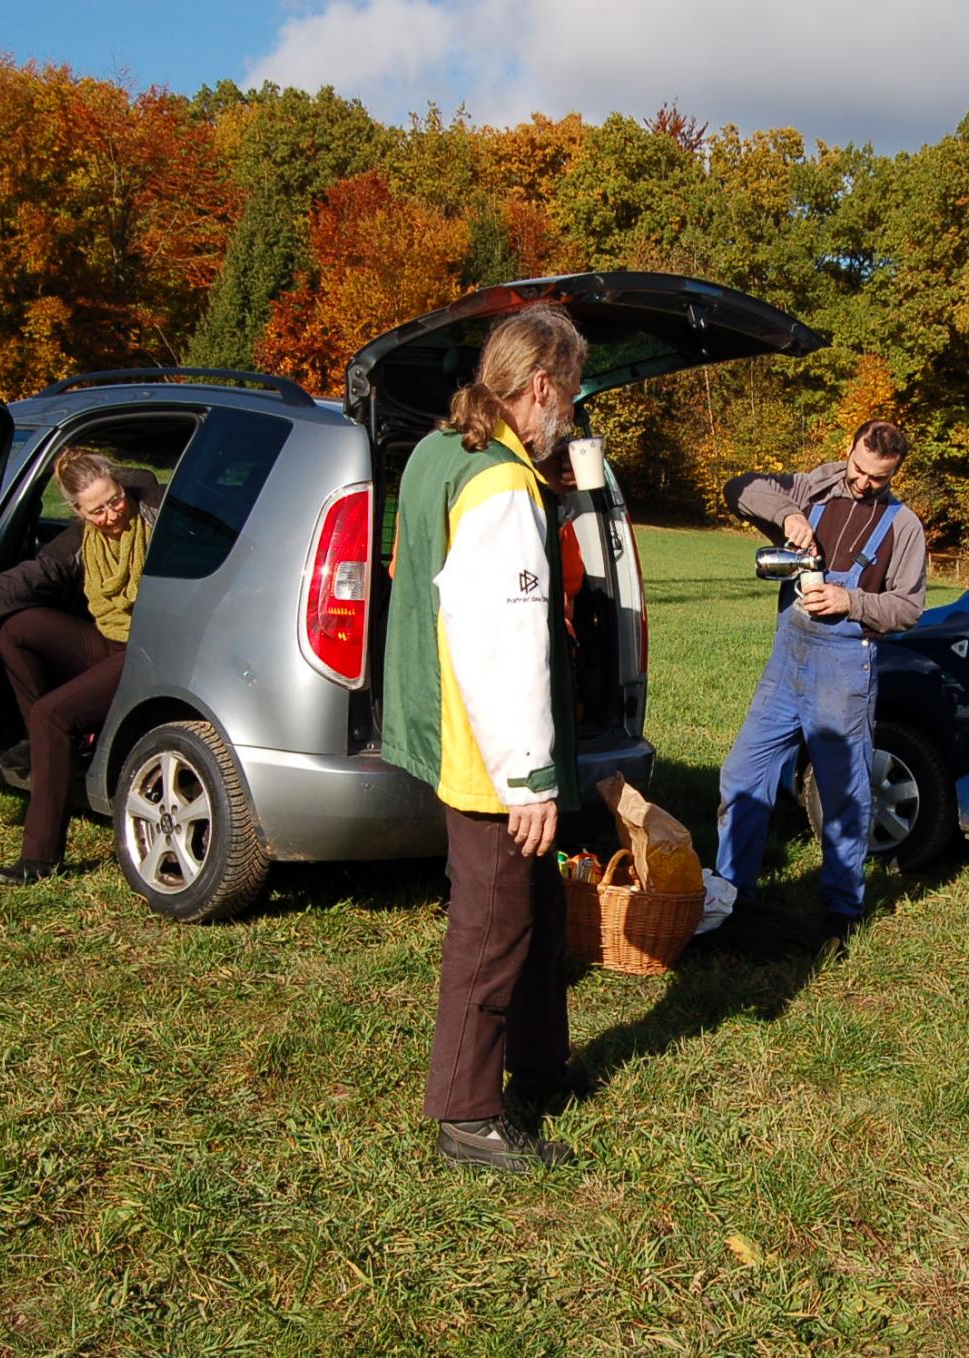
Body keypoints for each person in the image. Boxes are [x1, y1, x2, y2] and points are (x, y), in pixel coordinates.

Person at [382, 304, 589, 1172]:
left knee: (533, 907)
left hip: (452, 729)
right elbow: (501, 641)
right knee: (492, 926)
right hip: (489, 752)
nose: (569, 418)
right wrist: (530, 777)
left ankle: (539, 1062)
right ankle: (467, 1114)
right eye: (569, 399)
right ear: (539, 388)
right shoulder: (503, 487)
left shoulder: (438, 452)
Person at [706, 420, 928, 952]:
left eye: (877, 477)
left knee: (843, 795)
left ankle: (840, 910)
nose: (862, 483)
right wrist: (788, 515)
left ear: (895, 472)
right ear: (847, 451)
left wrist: (850, 602)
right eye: (857, 468)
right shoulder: (813, 488)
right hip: (787, 663)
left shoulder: (904, 526)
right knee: (743, 773)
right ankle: (734, 896)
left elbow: (908, 608)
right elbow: (737, 488)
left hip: (843, 671)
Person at [0, 449, 163, 884]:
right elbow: (22, 580)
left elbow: (141, 474)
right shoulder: (80, 541)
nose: (111, 515)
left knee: (54, 713)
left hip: (147, 650)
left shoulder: (151, 507)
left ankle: (40, 857)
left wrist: (104, 473)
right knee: (19, 629)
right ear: (78, 512)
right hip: (105, 642)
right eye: (97, 510)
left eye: (114, 500)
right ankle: (45, 744)